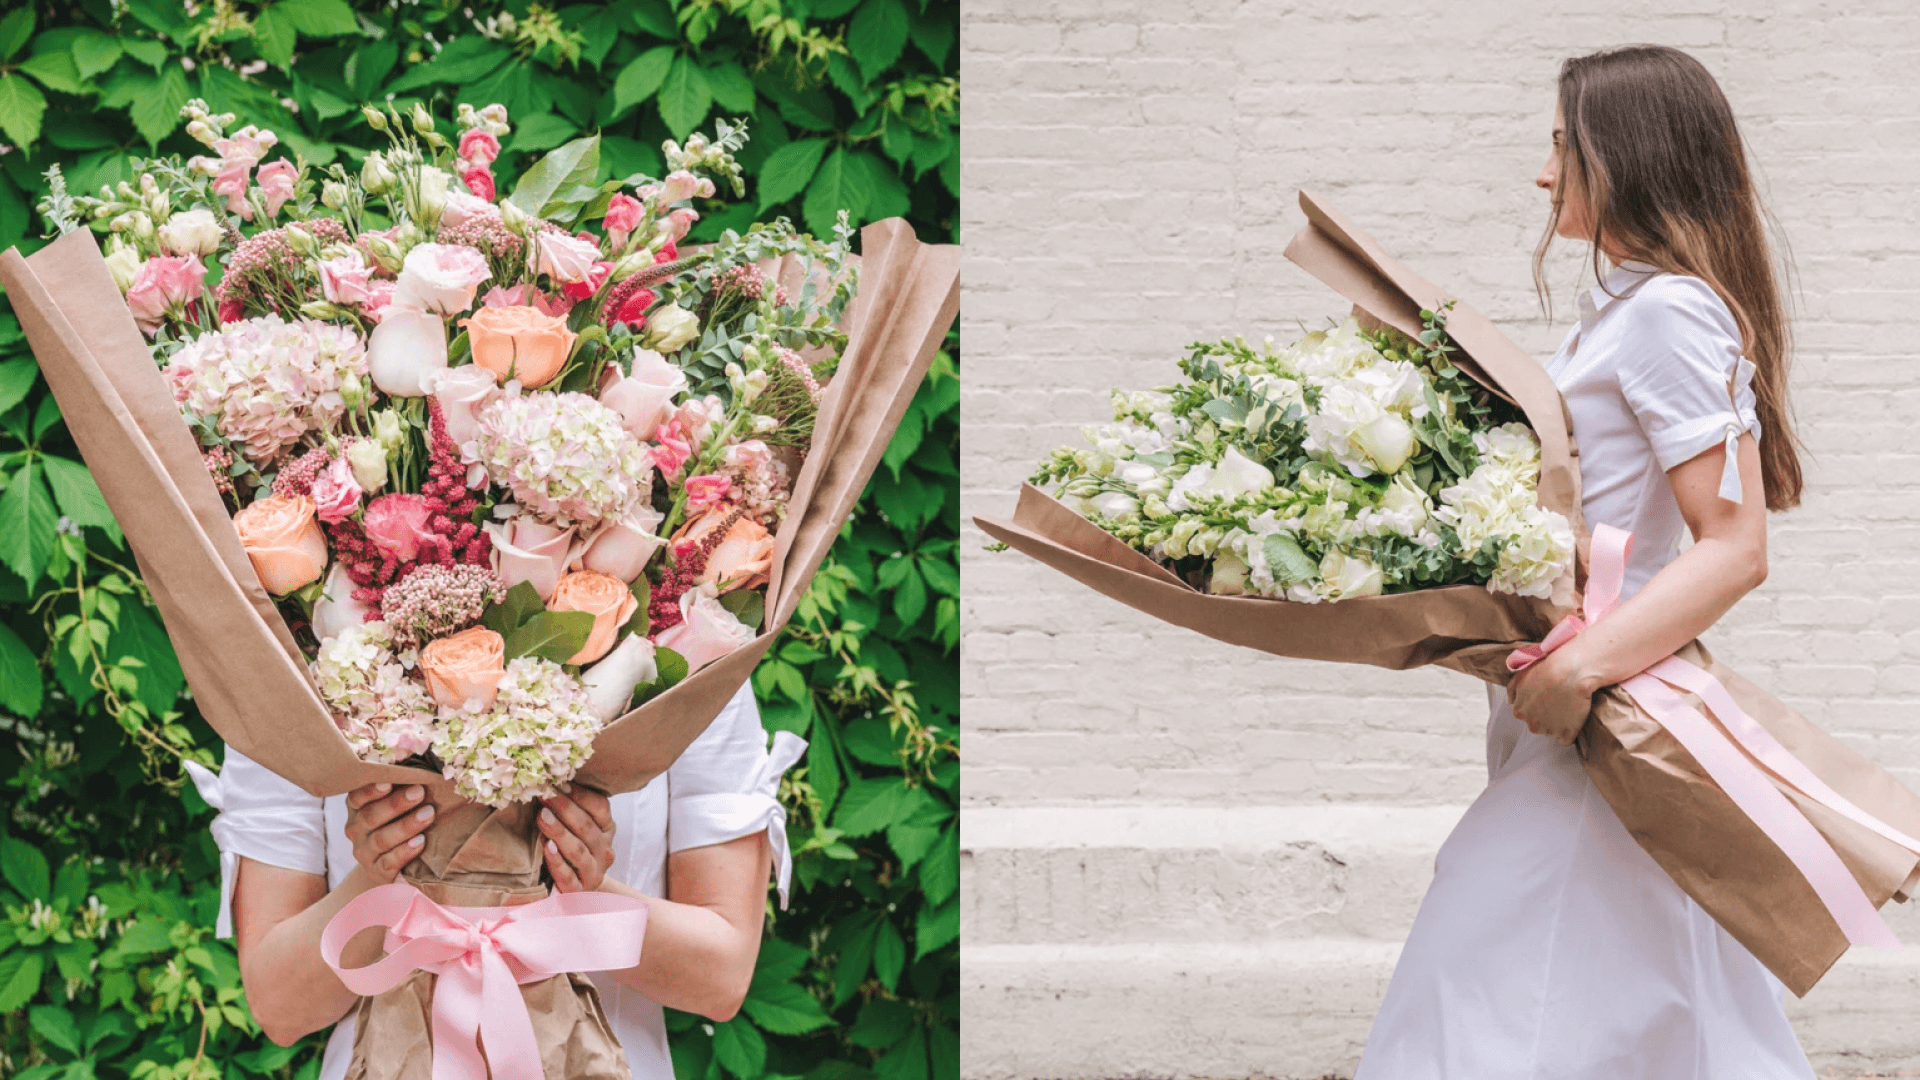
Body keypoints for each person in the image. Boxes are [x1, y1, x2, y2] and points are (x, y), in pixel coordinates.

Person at [1354, 45, 1812, 1079]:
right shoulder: (1637, 310)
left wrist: (1575, 668)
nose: (1544, 170)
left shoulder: (1669, 315)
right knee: (1662, 1011)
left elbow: (1736, 550)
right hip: (1579, 710)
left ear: (1626, 152)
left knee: (1474, 996)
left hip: (1603, 708)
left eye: (1561, 144)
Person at [185, 682, 805, 1080]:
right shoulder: (297, 662)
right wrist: (376, 881)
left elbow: (720, 977)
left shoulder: (691, 656)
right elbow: (279, 1004)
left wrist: (584, 893)